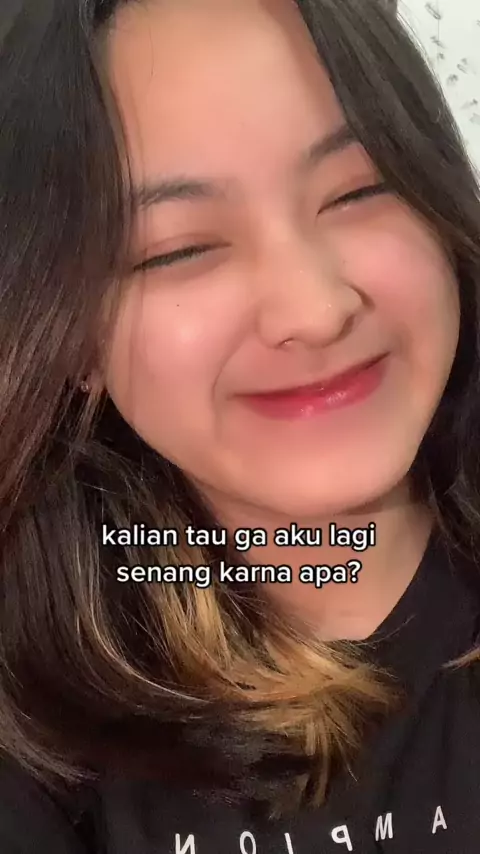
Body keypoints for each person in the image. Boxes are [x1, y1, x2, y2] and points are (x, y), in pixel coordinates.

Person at [1, 0, 480, 850]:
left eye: (360, 189)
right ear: (70, 336)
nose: (316, 310)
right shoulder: (29, 725)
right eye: (178, 248)